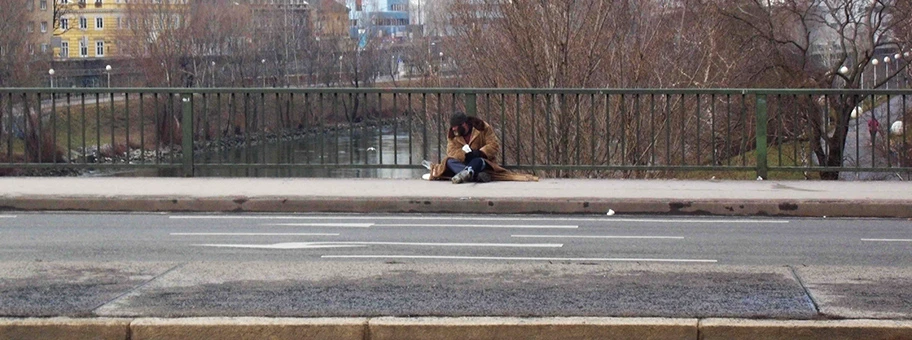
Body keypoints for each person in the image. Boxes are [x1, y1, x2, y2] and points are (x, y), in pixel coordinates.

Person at [427, 112, 538, 184]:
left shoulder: (482, 128)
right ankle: (473, 175)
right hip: (463, 161)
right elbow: (451, 152)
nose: (454, 130)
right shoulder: (452, 134)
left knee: (477, 161)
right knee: (449, 161)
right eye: (453, 128)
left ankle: (467, 173)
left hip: (482, 160)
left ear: (464, 124)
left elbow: (493, 145)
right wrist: (464, 154)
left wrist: (480, 152)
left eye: (457, 128)